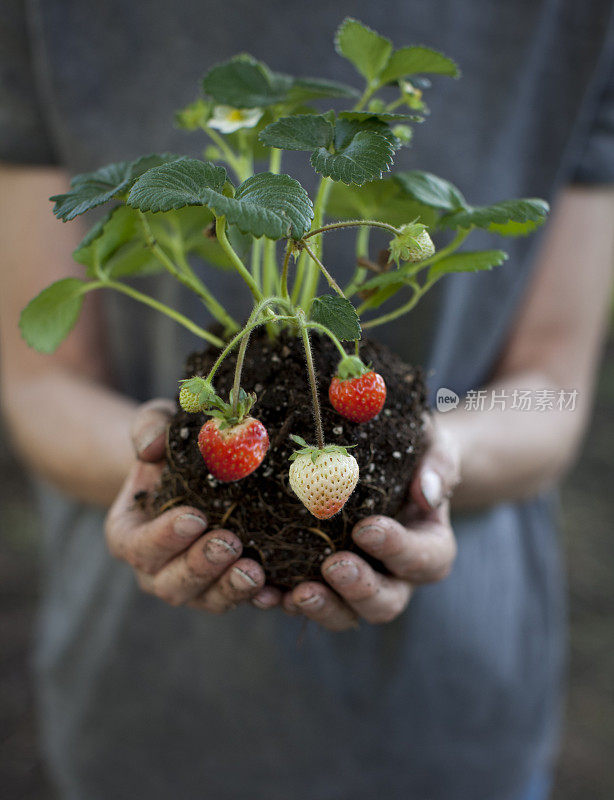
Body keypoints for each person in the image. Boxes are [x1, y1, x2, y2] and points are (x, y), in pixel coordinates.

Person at [1, 1, 613, 798]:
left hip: (453, 719)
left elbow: (553, 391)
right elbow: (40, 379)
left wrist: (439, 458)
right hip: (149, 721)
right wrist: (155, 463)